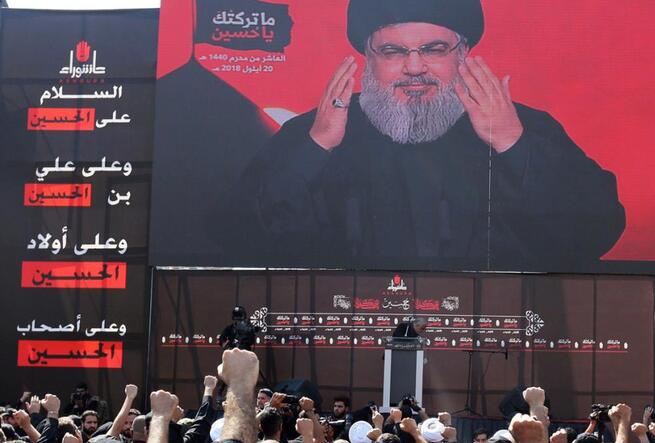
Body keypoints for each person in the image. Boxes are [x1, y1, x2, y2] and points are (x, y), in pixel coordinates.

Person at [240, 0, 625, 272]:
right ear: (368, 58)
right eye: (392, 51)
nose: (414, 67)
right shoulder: (319, 130)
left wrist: (512, 142)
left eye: (434, 49)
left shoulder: (520, 127)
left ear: (463, 52)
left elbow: (598, 229)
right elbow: (236, 234)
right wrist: (315, 147)